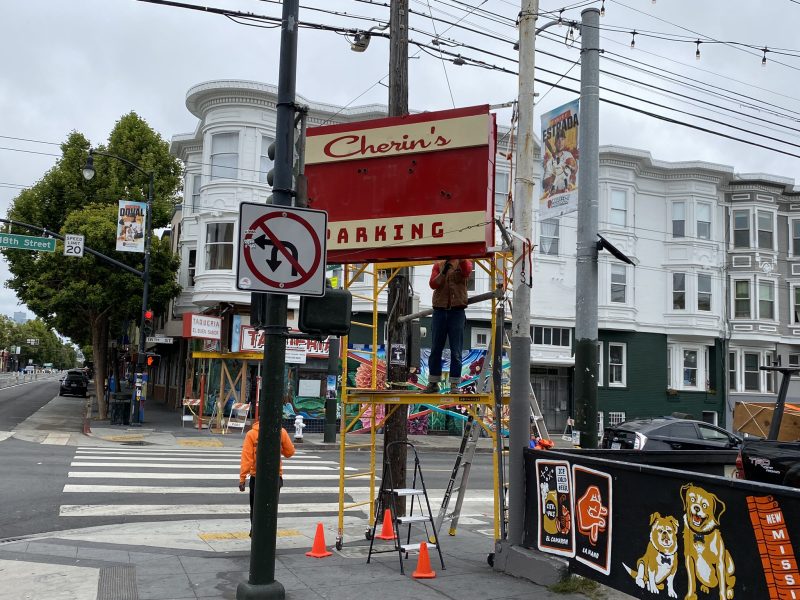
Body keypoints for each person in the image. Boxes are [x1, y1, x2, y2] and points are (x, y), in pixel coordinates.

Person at [422, 258, 473, 394]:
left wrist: (460, 259)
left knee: (456, 351)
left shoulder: (464, 261)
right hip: (439, 310)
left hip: (456, 311)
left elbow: (467, 271)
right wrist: (443, 272)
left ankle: (454, 384)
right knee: (435, 349)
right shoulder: (438, 265)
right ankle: (433, 383)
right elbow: (433, 284)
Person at [238, 422, 295, 535]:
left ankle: (255, 531)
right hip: (275, 477)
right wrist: (279, 446)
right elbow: (290, 452)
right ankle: (269, 533)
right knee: (271, 508)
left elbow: (247, 457)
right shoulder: (281, 432)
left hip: (256, 477)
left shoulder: (251, 434)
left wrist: (242, 478)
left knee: (255, 508)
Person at [542, 128, 577, 195]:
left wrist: (571, 167)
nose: (560, 142)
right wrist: (553, 176)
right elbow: (544, 184)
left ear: (564, 141)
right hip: (556, 196)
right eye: (558, 140)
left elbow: (574, 169)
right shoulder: (550, 161)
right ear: (554, 143)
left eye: (562, 139)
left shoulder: (568, 154)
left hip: (569, 194)